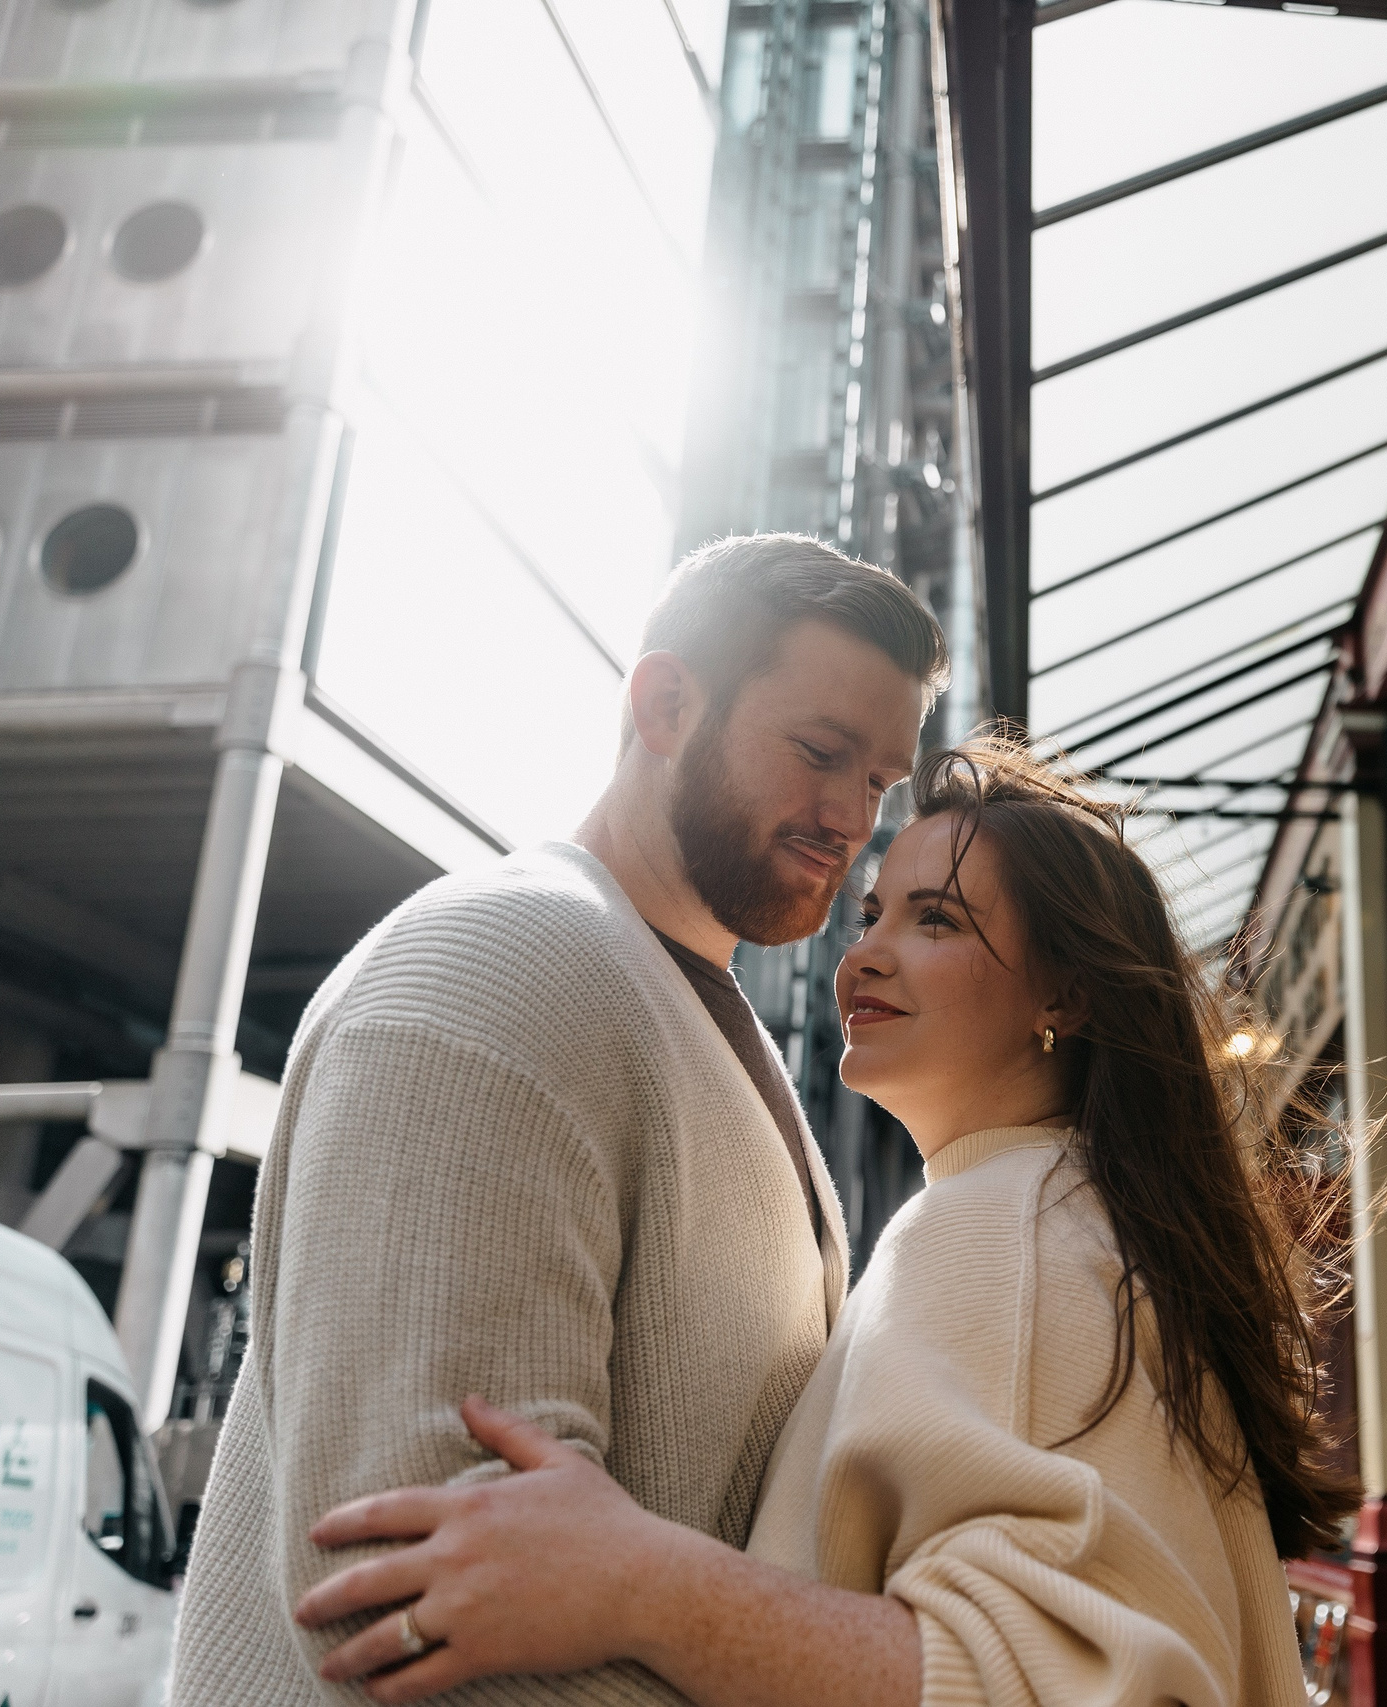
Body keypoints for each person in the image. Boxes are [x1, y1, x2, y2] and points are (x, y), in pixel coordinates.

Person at [287, 740, 1357, 1706]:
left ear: (1064, 1000)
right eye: (872, 914)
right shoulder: (1058, 1217)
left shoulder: (1007, 1228)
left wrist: (640, 1583)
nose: (866, 956)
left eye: (935, 919)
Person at [170, 534, 944, 1705]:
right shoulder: (501, 971)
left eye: (879, 780)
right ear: (666, 702)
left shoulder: (688, 1014)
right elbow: (412, 1604)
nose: (850, 817)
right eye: (820, 753)